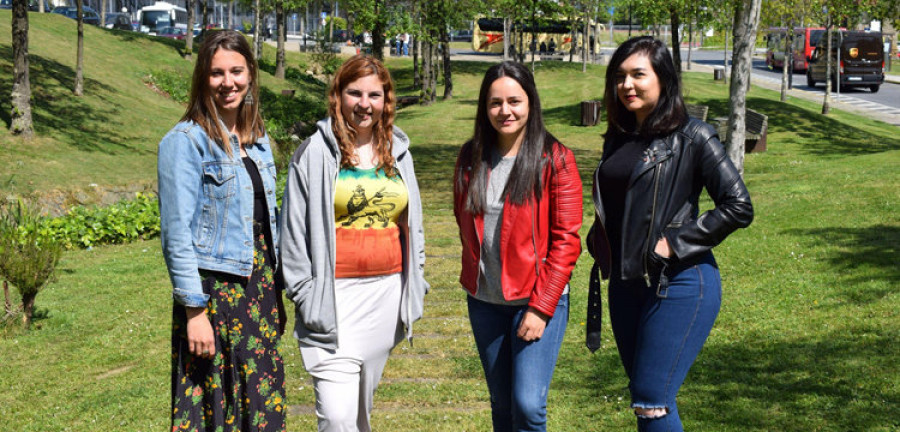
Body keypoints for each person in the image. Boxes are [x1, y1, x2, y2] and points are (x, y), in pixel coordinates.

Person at [586, 36, 753, 432]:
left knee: (651, 400)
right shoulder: (619, 136)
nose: (627, 85)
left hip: (677, 283)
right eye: (620, 77)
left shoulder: (693, 136)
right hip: (626, 285)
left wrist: (674, 243)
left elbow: (738, 205)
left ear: (663, 79)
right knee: (648, 398)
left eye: (638, 75)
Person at [279, 54, 428, 432]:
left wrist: (417, 283)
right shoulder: (314, 153)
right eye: (354, 93)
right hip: (331, 302)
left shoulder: (399, 153)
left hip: (385, 297)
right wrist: (306, 294)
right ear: (338, 96)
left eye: (374, 95)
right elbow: (293, 235)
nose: (365, 104)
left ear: (386, 99)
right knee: (337, 416)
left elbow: (415, 225)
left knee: (359, 414)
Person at [157, 30, 286, 431]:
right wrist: (194, 311)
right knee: (219, 403)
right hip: (216, 294)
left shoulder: (258, 140)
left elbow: (268, 224)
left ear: (250, 75)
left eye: (236, 71)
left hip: (261, 290)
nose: (227, 82)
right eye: (216, 73)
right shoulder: (184, 142)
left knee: (263, 406)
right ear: (202, 78)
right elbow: (176, 234)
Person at [453, 61, 583, 432]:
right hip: (486, 303)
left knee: (527, 406)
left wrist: (541, 308)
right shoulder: (469, 158)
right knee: (502, 404)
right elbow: (464, 220)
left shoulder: (555, 158)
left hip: (537, 300)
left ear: (531, 103)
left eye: (515, 101)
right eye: (495, 103)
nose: (505, 111)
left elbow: (566, 241)